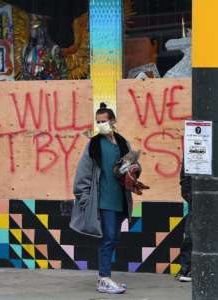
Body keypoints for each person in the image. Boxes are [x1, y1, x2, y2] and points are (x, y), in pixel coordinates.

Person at [70, 102, 139, 294]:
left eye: (104, 121)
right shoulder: (93, 144)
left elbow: (134, 165)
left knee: (114, 238)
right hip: (103, 200)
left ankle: (105, 277)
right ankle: (104, 278)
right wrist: (84, 199)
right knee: (108, 238)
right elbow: (82, 173)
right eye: (98, 122)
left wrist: (134, 170)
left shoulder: (123, 142)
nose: (100, 125)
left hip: (120, 199)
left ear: (113, 121)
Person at [176, 146, 218, 282]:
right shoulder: (194, 145)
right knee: (191, 234)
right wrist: (190, 196)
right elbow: (185, 177)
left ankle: (217, 270)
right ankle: (187, 269)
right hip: (196, 200)